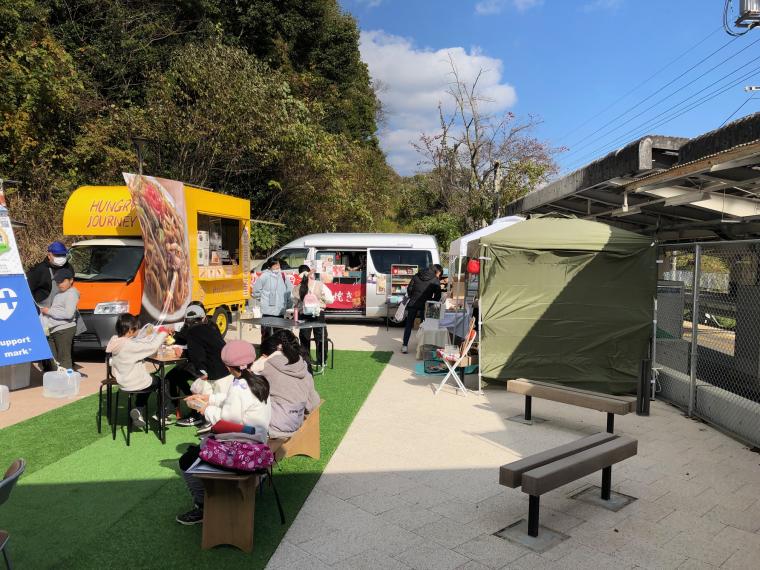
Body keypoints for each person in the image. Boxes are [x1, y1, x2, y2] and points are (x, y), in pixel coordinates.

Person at [176, 340, 271, 525]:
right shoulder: (257, 380)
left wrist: (204, 409)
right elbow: (231, 401)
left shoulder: (239, 388)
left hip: (241, 450)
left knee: (187, 460)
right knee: (199, 448)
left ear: (227, 367)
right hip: (257, 444)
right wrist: (208, 398)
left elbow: (226, 423)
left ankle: (203, 506)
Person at [166, 304, 227, 427]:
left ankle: (197, 416)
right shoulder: (210, 327)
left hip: (214, 373)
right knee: (176, 376)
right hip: (225, 368)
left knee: (195, 387)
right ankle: (202, 418)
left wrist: (201, 372)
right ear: (203, 317)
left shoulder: (193, 331)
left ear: (187, 321)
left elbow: (197, 357)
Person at [106, 314, 170, 429]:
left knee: (151, 381)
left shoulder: (115, 341)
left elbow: (138, 344)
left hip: (123, 381)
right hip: (135, 381)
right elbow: (152, 347)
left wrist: (147, 335)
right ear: (130, 330)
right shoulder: (129, 345)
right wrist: (163, 332)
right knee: (162, 382)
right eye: (137, 329)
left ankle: (139, 410)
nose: (139, 331)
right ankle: (162, 414)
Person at [253, 331, 319, 437]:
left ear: (266, 355)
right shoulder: (301, 364)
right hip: (297, 419)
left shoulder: (265, 366)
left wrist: (261, 361)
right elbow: (314, 401)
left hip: (274, 426)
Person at [292, 264, 334, 367]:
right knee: (321, 338)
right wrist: (321, 299)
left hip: (303, 315)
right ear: (310, 272)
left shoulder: (297, 287)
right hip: (318, 314)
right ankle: (322, 361)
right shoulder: (319, 285)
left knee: (304, 338)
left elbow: (294, 302)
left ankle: (306, 361)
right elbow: (330, 300)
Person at [40, 268, 79, 369]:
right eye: (57, 282)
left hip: (64, 329)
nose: (59, 284)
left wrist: (49, 311)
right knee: (54, 359)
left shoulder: (71, 293)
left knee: (64, 358)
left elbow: (68, 314)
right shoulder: (59, 294)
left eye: (62, 281)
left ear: (71, 280)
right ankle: (57, 379)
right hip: (54, 329)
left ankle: (67, 382)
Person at [401, 264, 444, 354]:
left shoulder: (417, 275)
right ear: (438, 272)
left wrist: (414, 296)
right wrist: (430, 300)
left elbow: (409, 289)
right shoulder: (435, 280)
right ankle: (421, 348)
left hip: (413, 303)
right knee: (424, 327)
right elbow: (438, 296)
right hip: (426, 305)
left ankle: (405, 346)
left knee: (409, 325)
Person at [27, 241, 74, 307]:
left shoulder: (68, 267)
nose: (61, 257)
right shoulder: (39, 269)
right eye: (57, 255)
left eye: (63, 255)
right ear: (49, 255)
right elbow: (27, 290)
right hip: (45, 309)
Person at [252, 259, 287, 341]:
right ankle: (265, 352)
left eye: (278, 265)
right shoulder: (264, 276)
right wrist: (263, 300)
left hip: (279, 312)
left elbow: (288, 291)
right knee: (266, 336)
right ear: (270, 266)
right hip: (267, 312)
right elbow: (256, 291)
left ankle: (278, 353)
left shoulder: (283, 276)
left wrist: (286, 305)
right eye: (275, 265)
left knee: (279, 337)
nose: (277, 267)